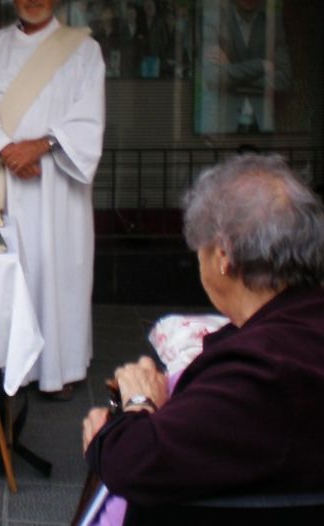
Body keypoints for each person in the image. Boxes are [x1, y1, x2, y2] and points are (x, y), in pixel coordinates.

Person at [81, 154, 324, 523]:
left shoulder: (265, 369)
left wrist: (138, 404)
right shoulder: (298, 323)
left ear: (223, 255)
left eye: (201, 250)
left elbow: (131, 462)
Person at [0, 0, 105, 397]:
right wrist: (8, 151)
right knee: (9, 274)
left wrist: (39, 146)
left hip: (56, 183)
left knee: (57, 272)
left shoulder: (83, 50)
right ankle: (7, 365)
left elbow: (88, 118)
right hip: (4, 181)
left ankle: (59, 369)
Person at [200, 0, 292, 133]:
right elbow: (213, 77)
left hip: (263, 125)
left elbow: (283, 80)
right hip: (222, 124)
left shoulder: (274, 24)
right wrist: (261, 65)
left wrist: (231, 71)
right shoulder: (213, 22)